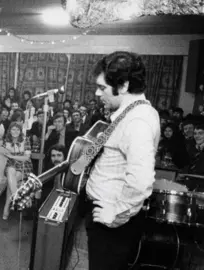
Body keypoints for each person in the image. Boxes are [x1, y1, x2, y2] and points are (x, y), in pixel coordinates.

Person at [80, 51, 159, 270]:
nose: (97, 93)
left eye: (102, 87)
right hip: (103, 215)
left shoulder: (138, 121)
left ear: (123, 86)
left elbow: (141, 181)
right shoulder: (128, 113)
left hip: (112, 223)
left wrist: (117, 213)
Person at [0, 122, 33, 220]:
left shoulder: (26, 140)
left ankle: (7, 205)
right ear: (9, 130)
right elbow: (2, 151)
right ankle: (17, 197)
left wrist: (11, 155)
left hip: (24, 165)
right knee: (10, 171)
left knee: (11, 180)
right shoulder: (6, 140)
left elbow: (26, 158)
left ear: (21, 131)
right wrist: (2, 150)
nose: (15, 131)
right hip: (11, 164)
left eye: (17, 129)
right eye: (13, 129)